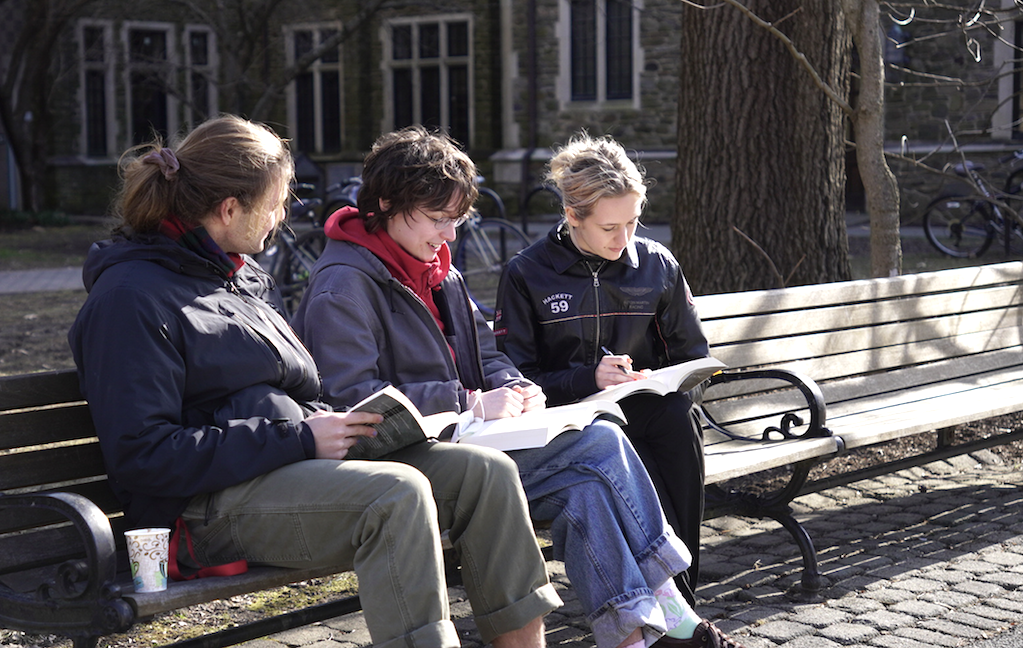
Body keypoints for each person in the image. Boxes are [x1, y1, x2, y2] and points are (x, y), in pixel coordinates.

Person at [67, 115, 561, 648]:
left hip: (293, 465)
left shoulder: (237, 274)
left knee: (485, 474)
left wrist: (344, 424)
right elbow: (143, 454)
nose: (282, 217)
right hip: (201, 510)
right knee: (397, 495)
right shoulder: (130, 299)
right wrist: (300, 437)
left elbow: (290, 390)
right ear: (229, 209)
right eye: (276, 202)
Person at [292, 126, 743, 648]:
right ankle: (672, 609)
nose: (451, 236)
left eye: (456, 220)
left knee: (589, 484)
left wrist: (516, 386)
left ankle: (633, 638)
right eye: (439, 219)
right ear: (386, 205)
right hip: (402, 467)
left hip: (465, 446)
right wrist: (465, 400)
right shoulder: (344, 283)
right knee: (600, 444)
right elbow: (352, 400)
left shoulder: (439, 272)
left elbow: (490, 357)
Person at [493, 133, 711, 606]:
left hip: (646, 409)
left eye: (634, 222)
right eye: (611, 227)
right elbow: (515, 376)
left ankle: (682, 604)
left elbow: (691, 355)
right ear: (573, 216)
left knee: (676, 419)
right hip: (565, 421)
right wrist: (587, 378)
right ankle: (664, 606)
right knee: (627, 449)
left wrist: (658, 381)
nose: (626, 239)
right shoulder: (527, 273)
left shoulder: (656, 265)